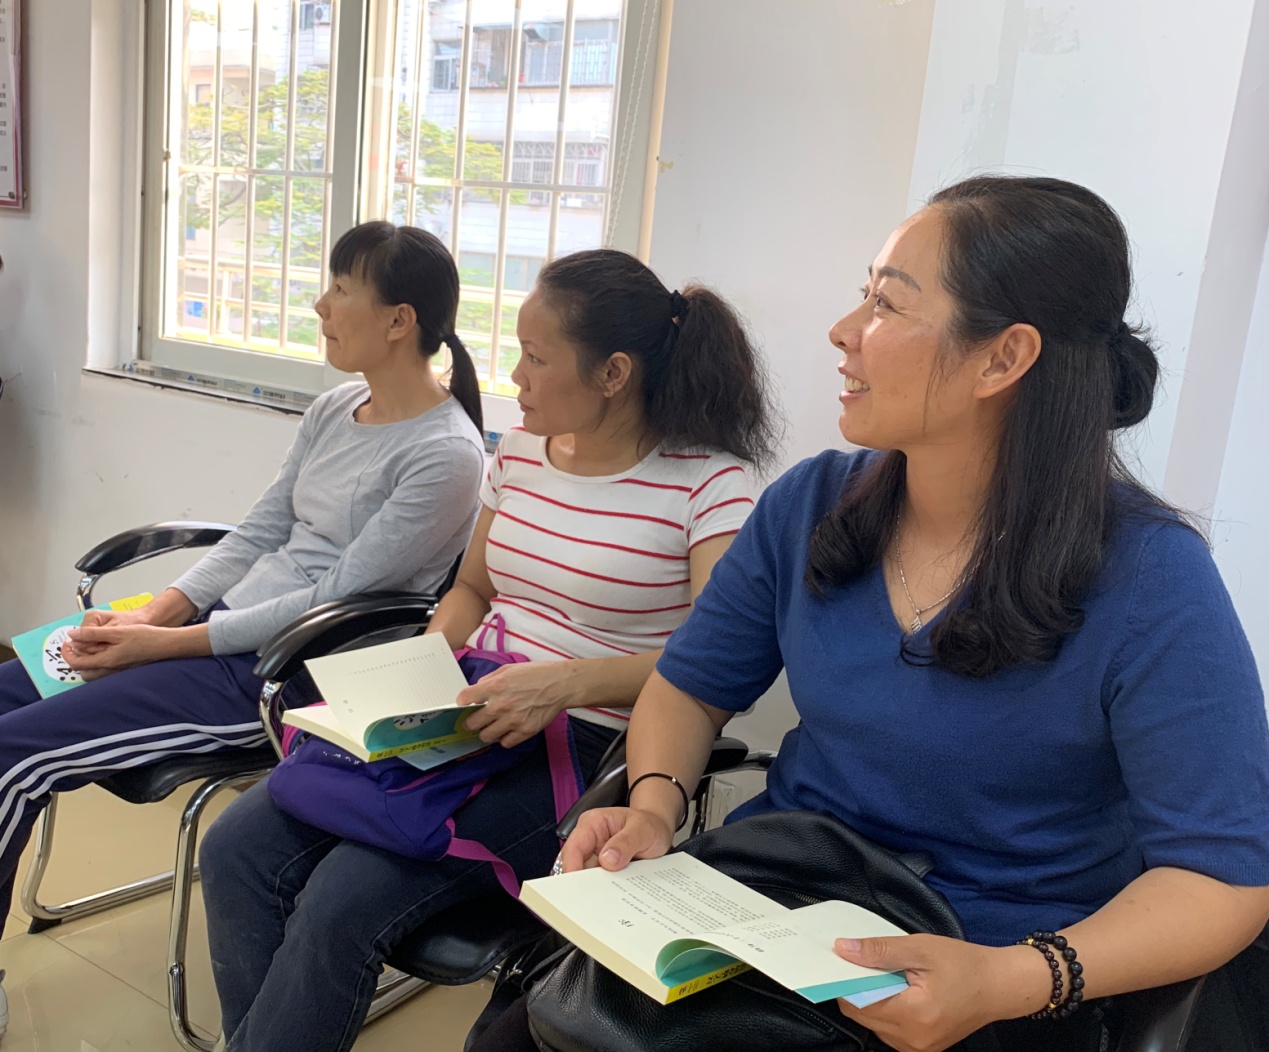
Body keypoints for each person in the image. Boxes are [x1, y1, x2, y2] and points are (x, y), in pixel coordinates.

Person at [477, 177, 1269, 1052]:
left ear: (1001, 359)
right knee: (522, 1033)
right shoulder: (810, 503)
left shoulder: (1152, 577)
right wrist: (656, 803)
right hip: (771, 906)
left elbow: (1220, 880)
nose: (843, 329)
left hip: (986, 966)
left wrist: (1012, 979)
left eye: (886, 303)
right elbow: (690, 686)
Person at [197, 248, 780, 1052]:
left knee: (341, 903)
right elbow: (471, 590)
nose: (514, 376)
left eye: (536, 358)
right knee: (236, 848)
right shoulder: (522, 456)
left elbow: (715, 664)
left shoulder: (710, 487)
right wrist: (419, 670)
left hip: (588, 746)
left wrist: (563, 684)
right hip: (469, 708)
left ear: (613, 373)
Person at [0, 221, 486, 971]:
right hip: (215, 631)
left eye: (341, 290)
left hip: (282, 673)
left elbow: (335, 596)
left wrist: (160, 645)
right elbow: (260, 529)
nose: (321, 305)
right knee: (7, 688)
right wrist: (160, 610)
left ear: (399, 320)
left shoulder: (445, 455)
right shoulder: (336, 407)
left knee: (13, 754)